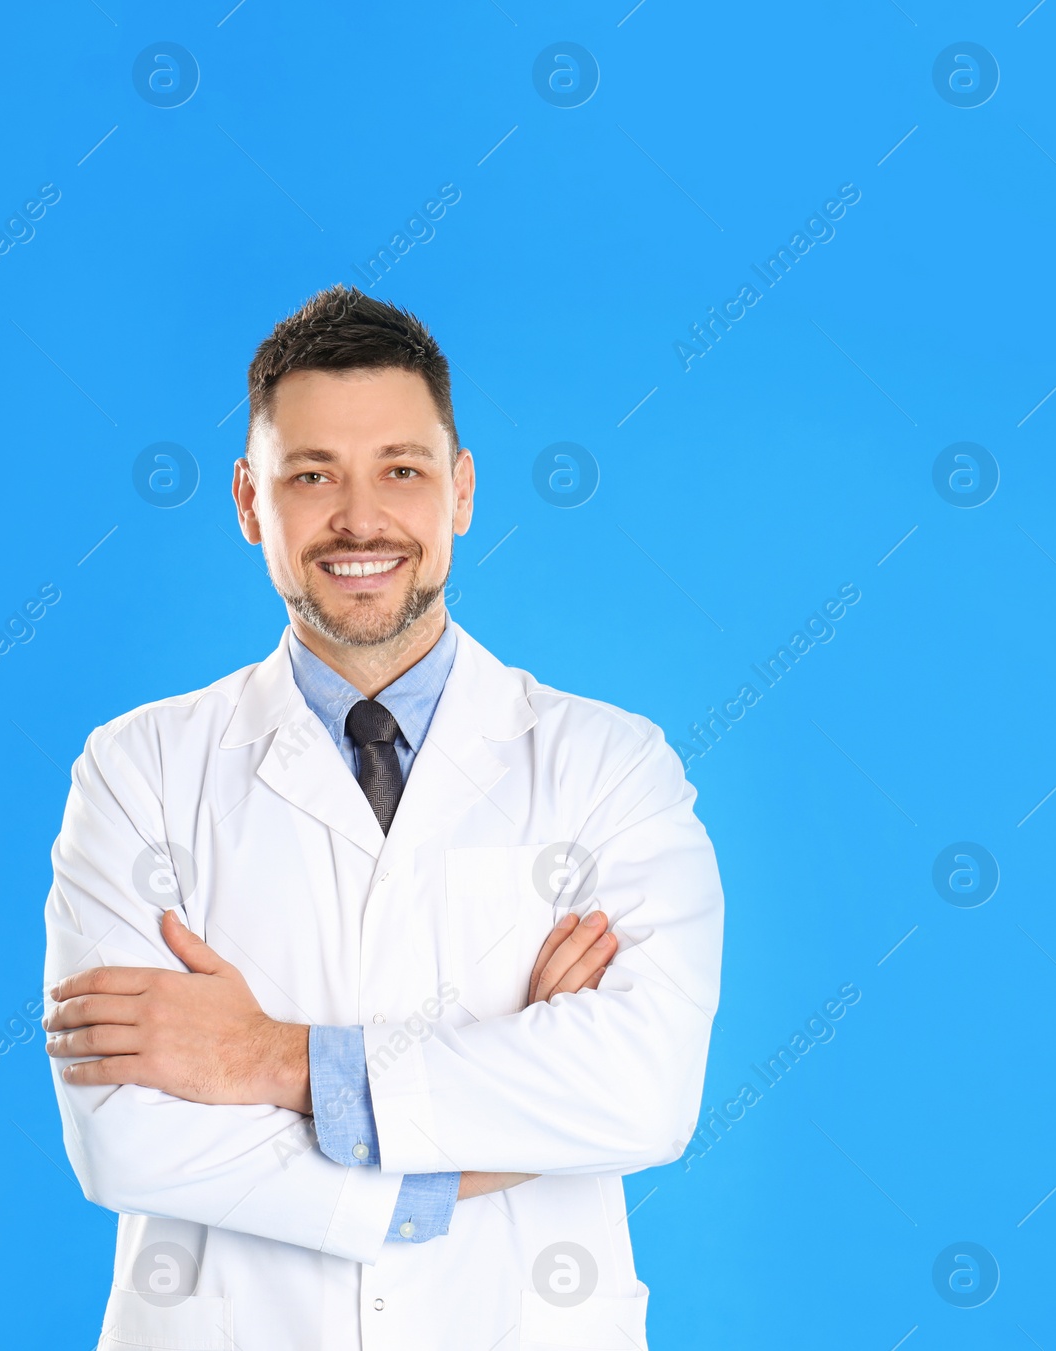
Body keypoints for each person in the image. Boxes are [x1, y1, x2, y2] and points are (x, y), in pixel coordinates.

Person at [41, 286, 724, 1350]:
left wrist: (269, 1060)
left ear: (458, 490)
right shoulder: (138, 771)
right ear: (247, 501)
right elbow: (124, 1139)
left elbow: (643, 1091)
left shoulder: (608, 766)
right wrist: (459, 1158)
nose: (360, 518)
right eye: (311, 475)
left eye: (400, 471)